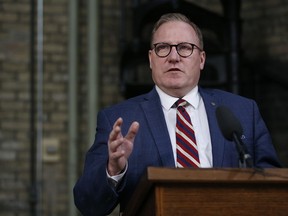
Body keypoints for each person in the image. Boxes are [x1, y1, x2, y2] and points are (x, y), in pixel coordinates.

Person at [73, 13, 281, 216]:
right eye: (163, 48)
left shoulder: (243, 112)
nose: (174, 57)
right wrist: (112, 170)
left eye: (184, 48)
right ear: (151, 59)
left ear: (201, 59)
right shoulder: (119, 120)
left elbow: (274, 193)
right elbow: (88, 205)